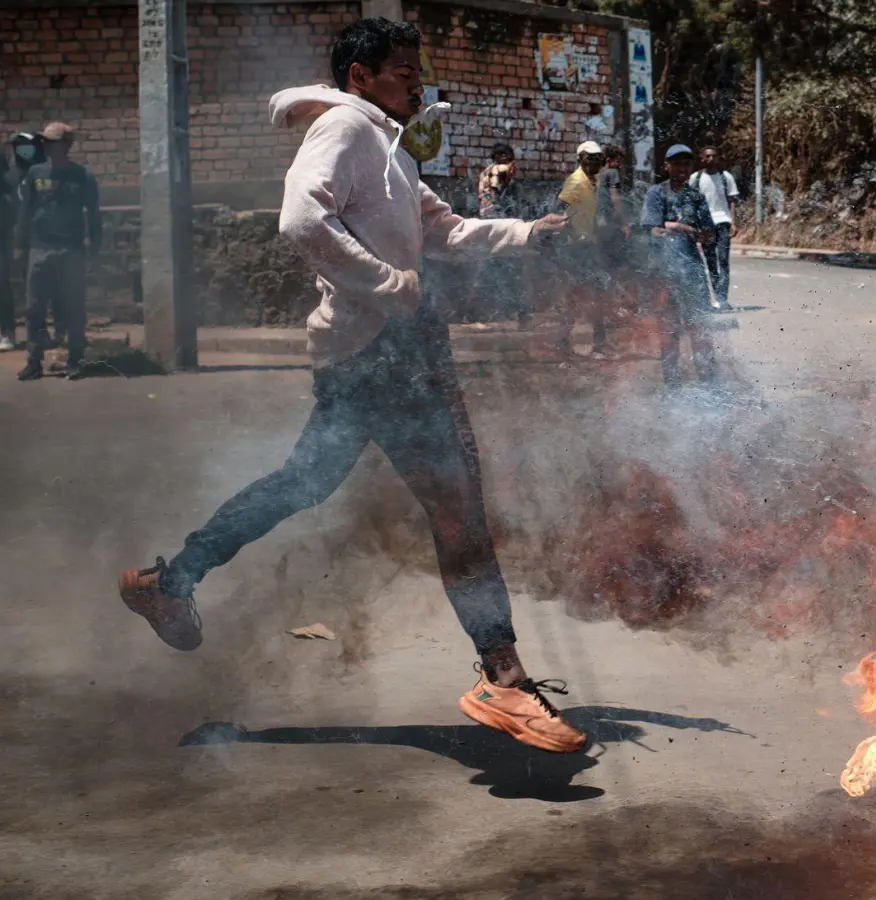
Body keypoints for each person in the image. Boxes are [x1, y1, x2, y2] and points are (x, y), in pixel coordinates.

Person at [116, 17, 587, 754]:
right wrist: (390, 285)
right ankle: (504, 678)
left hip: (378, 350)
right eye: (401, 69)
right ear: (360, 75)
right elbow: (301, 217)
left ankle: (169, 580)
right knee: (457, 508)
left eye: (416, 68)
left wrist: (529, 234)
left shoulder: (390, 147)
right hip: (386, 351)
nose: (416, 81)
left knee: (305, 481)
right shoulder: (347, 128)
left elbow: (445, 230)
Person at [14, 123, 100, 381]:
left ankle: (75, 360)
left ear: (67, 145)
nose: (49, 147)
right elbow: (25, 211)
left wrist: (94, 247)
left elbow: (94, 215)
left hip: (71, 250)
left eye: (54, 142)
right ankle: (34, 361)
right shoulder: (35, 174)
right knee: (34, 309)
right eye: (46, 143)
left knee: (73, 308)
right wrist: (20, 245)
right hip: (40, 248)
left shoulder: (82, 176)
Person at [640, 144, 717, 385]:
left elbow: (709, 231)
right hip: (664, 270)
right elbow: (650, 229)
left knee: (699, 325)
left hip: (692, 269)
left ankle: (707, 380)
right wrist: (675, 227)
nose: (682, 168)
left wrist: (704, 235)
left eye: (687, 163)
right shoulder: (656, 193)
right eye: (677, 163)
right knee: (669, 327)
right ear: (666, 166)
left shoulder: (696, 196)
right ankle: (672, 381)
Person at [552, 139, 613, 358]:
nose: (595, 162)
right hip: (574, 248)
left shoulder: (593, 180)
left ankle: (597, 341)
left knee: (593, 294)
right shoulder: (576, 182)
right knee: (579, 296)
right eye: (590, 158)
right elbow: (558, 208)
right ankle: (569, 342)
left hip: (587, 246)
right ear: (580, 160)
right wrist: (565, 229)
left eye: (598, 159)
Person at [0, 132, 43, 352]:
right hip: (9, 236)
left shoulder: (44, 172)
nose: (24, 150)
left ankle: (44, 334)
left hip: (40, 237)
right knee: (3, 284)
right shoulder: (10, 177)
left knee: (40, 287)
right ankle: (7, 331)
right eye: (19, 146)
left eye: (28, 146)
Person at [474, 143, 525, 324]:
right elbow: (497, 192)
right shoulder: (498, 171)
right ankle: (520, 314)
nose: (510, 161)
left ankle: (489, 313)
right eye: (507, 157)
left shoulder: (487, 171)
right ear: (500, 157)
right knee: (509, 268)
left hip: (491, 222)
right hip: (499, 222)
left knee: (496, 267)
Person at [690, 146, 738, 311]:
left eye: (714, 156)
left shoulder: (726, 177)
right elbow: (691, 203)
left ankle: (723, 298)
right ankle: (717, 296)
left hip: (723, 222)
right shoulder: (695, 178)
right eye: (707, 156)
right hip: (705, 225)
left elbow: (732, 200)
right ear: (702, 158)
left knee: (723, 261)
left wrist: (733, 222)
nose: (711, 159)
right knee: (711, 262)